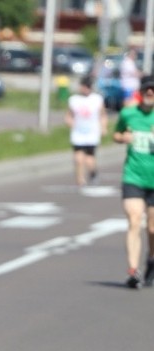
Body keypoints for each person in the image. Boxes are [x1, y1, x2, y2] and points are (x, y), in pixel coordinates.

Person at [113, 74, 154, 288]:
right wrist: (123, 138)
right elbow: (116, 134)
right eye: (147, 90)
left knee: (153, 230)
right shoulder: (129, 114)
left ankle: (151, 260)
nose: (150, 94)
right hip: (134, 176)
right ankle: (133, 270)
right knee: (135, 220)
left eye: (153, 90)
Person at [65, 75, 107, 188]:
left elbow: (102, 115)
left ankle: (93, 173)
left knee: (89, 158)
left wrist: (103, 127)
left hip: (92, 132)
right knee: (78, 158)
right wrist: (71, 123)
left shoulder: (97, 99)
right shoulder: (74, 100)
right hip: (78, 132)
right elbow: (69, 116)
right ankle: (80, 180)